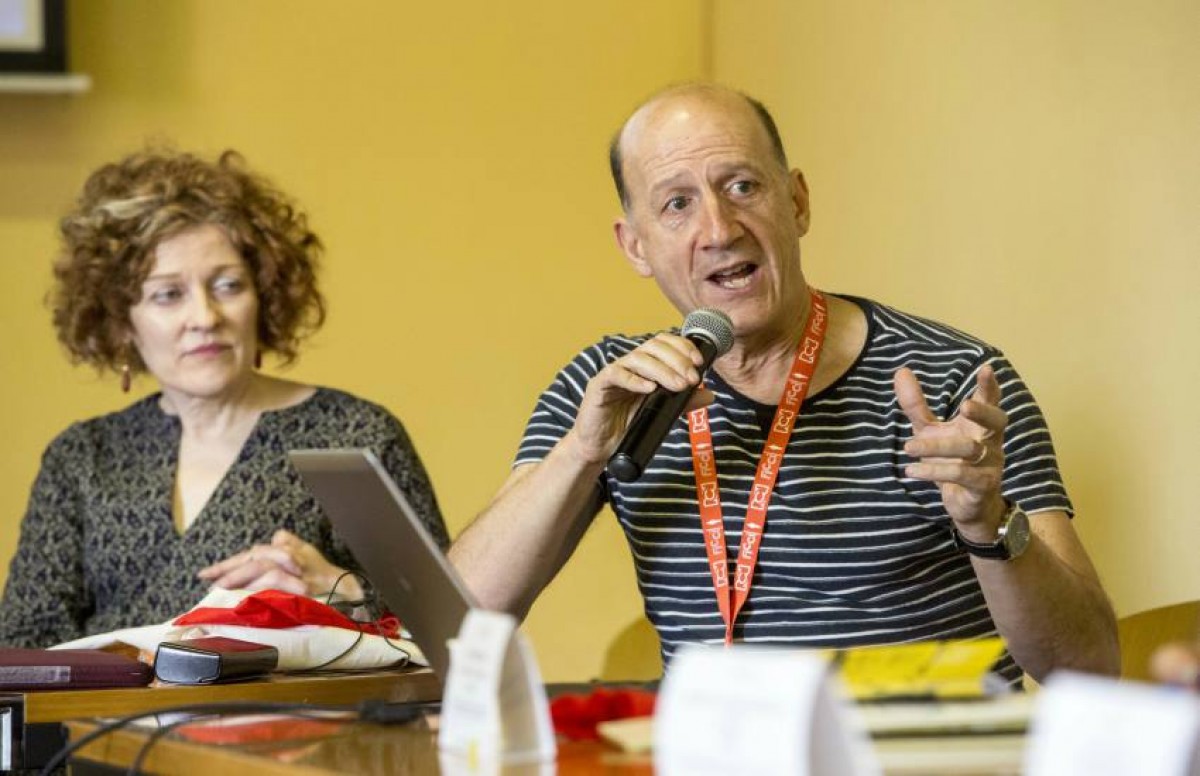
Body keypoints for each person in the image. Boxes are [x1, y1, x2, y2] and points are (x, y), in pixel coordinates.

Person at [449, 83, 1119, 684]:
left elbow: (1087, 664)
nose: (719, 228)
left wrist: (988, 523)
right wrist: (581, 452)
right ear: (635, 247)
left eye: (742, 186)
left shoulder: (956, 380)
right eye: (677, 204)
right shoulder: (614, 390)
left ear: (796, 202)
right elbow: (457, 622)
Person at [0, 149, 448, 649]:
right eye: (169, 294)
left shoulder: (357, 435)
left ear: (265, 295)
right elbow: (25, 643)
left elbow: (449, 631)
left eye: (228, 285)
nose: (206, 316)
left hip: (301, 725)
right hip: (102, 728)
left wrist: (337, 589)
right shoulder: (82, 456)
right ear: (122, 320)